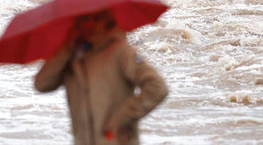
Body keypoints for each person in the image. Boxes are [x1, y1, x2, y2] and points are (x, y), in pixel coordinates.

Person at [34, 10, 168, 144]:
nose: (91, 23)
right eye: (85, 18)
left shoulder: (121, 51)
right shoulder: (72, 56)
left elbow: (157, 87)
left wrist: (121, 119)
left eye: (97, 18)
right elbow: (42, 84)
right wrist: (66, 49)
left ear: (107, 20)